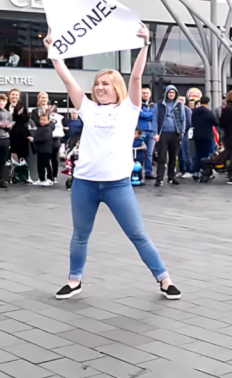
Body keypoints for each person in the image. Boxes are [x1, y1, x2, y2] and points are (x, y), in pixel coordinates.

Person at [44, 24, 181, 300]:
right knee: (80, 235)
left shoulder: (129, 108)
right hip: (85, 183)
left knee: (137, 235)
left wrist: (144, 45)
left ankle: (164, 279)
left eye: (105, 83)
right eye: (97, 83)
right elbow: (69, 81)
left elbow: (136, 77)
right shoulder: (88, 108)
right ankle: (74, 280)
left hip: (117, 185)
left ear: (116, 87)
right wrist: (54, 53)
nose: (100, 87)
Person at [151, 85, 185, 187]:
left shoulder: (179, 105)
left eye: (173, 93)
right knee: (161, 157)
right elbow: (155, 119)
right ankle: (159, 178)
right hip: (163, 134)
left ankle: (171, 177)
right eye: (170, 92)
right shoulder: (159, 105)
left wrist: (182, 132)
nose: (171, 94)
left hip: (175, 133)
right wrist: (155, 133)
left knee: (173, 157)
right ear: (166, 93)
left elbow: (183, 119)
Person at [191, 95, 218, 173]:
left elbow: (192, 122)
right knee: (207, 153)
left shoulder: (194, 112)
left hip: (197, 135)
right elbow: (215, 122)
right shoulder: (209, 112)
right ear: (207, 103)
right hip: (207, 136)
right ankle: (206, 170)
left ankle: (196, 169)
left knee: (198, 153)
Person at [138, 85, 156, 179]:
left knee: (149, 153)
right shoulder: (137, 104)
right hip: (141, 131)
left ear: (150, 94)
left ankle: (148, 172)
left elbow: (153, 116)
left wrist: (145, 115)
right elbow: (141, 115)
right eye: (143, 93)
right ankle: (138, 171)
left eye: (147, 93)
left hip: (151, 132)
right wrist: (149, 115)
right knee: (139, 152)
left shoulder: (154, 105)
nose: (145, 94)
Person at [9, 89, 30, 163]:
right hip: (7, 136)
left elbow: (25, 120)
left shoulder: (22, 107)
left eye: (16, 95)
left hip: (20, 137)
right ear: (9, 96)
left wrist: (18, 112)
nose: (14, 96)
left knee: (22, 157)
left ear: (19, 97)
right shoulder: (4, 106)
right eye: (13, 94)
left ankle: (22, 173)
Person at [176, 95, 195, 178]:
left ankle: (189, 170)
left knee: (185, 152)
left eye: (182, 100)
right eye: (179, 100)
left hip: (185, 133)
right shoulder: (175, 109)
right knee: (179, 153)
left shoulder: (187, 110)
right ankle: (181, 170)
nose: (181, 101)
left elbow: (189, 122)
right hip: (176, 133)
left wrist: (183, 132)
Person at [0, 94, 11, 188]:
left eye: (3, 101)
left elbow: (10, 124)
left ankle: (1, 180)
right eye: (0, 100)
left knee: (3, 161)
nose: (1, 102)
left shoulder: (8, 113)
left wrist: (8, 126)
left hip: (5, 139)